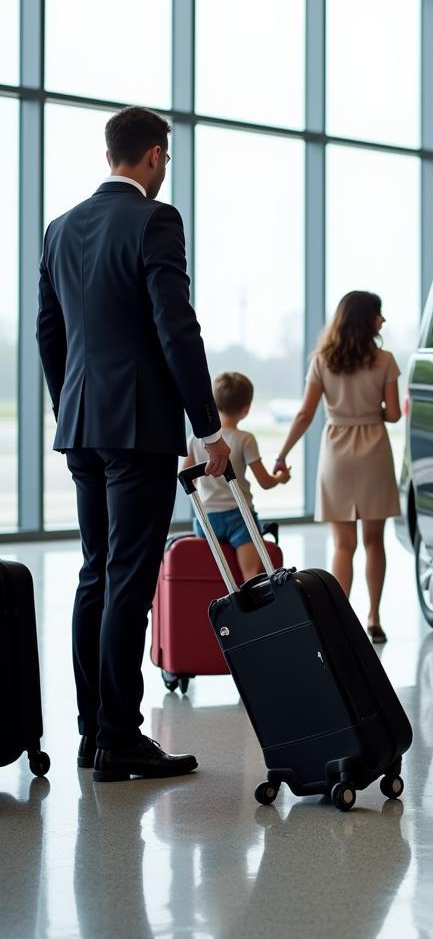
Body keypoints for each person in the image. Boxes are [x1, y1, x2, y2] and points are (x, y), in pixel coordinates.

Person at [36, 106, 230, 782]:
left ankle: (94, 731)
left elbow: (48, 334)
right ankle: (120, 736)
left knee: (97, 573)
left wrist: (74, 408)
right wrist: (209, 430)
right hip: (141, 427)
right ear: (151, 155)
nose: (165, 170)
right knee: (128, 578)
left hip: (83, 425)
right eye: (166, 159)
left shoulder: (59, 230)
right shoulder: (155, 219)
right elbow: (177, 328)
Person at [274, 291, 401, 643]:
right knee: (374, 542)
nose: (383, 320)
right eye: (379, 314)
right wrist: (369, 411)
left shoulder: (322, 360)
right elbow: (393, 414)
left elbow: (304, 414)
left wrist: (283, 453)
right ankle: (374, 617)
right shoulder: (385, 359)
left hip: (337, 454)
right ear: (366, 319)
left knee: (343, 545)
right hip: (374, 449)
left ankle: (341, 620)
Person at [181, 372, 290, 581]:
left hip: (207, 520)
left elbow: (186, 476)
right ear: (246, 410)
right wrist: (281, 478)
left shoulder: (197, 438)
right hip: (239, 518)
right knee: (251, 575)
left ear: (213, 403)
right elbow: (265, 482)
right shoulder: (245, 439)